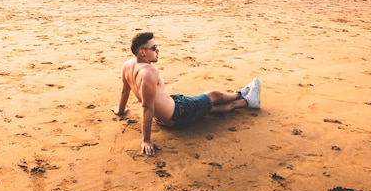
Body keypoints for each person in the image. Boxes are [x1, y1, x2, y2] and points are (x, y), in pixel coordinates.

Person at [112, 32, 261, 155]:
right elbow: (146, 107)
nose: (158, 50)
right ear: (142, 52)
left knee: (208, 108)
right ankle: (243, 97)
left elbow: (125, 91)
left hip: (167, 114)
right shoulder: (149, 72)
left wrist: (120, 110)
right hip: (179, 114)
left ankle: (244, 97)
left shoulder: (128, 65)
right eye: (154, 48)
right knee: (214, 96)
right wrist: (146, 140)